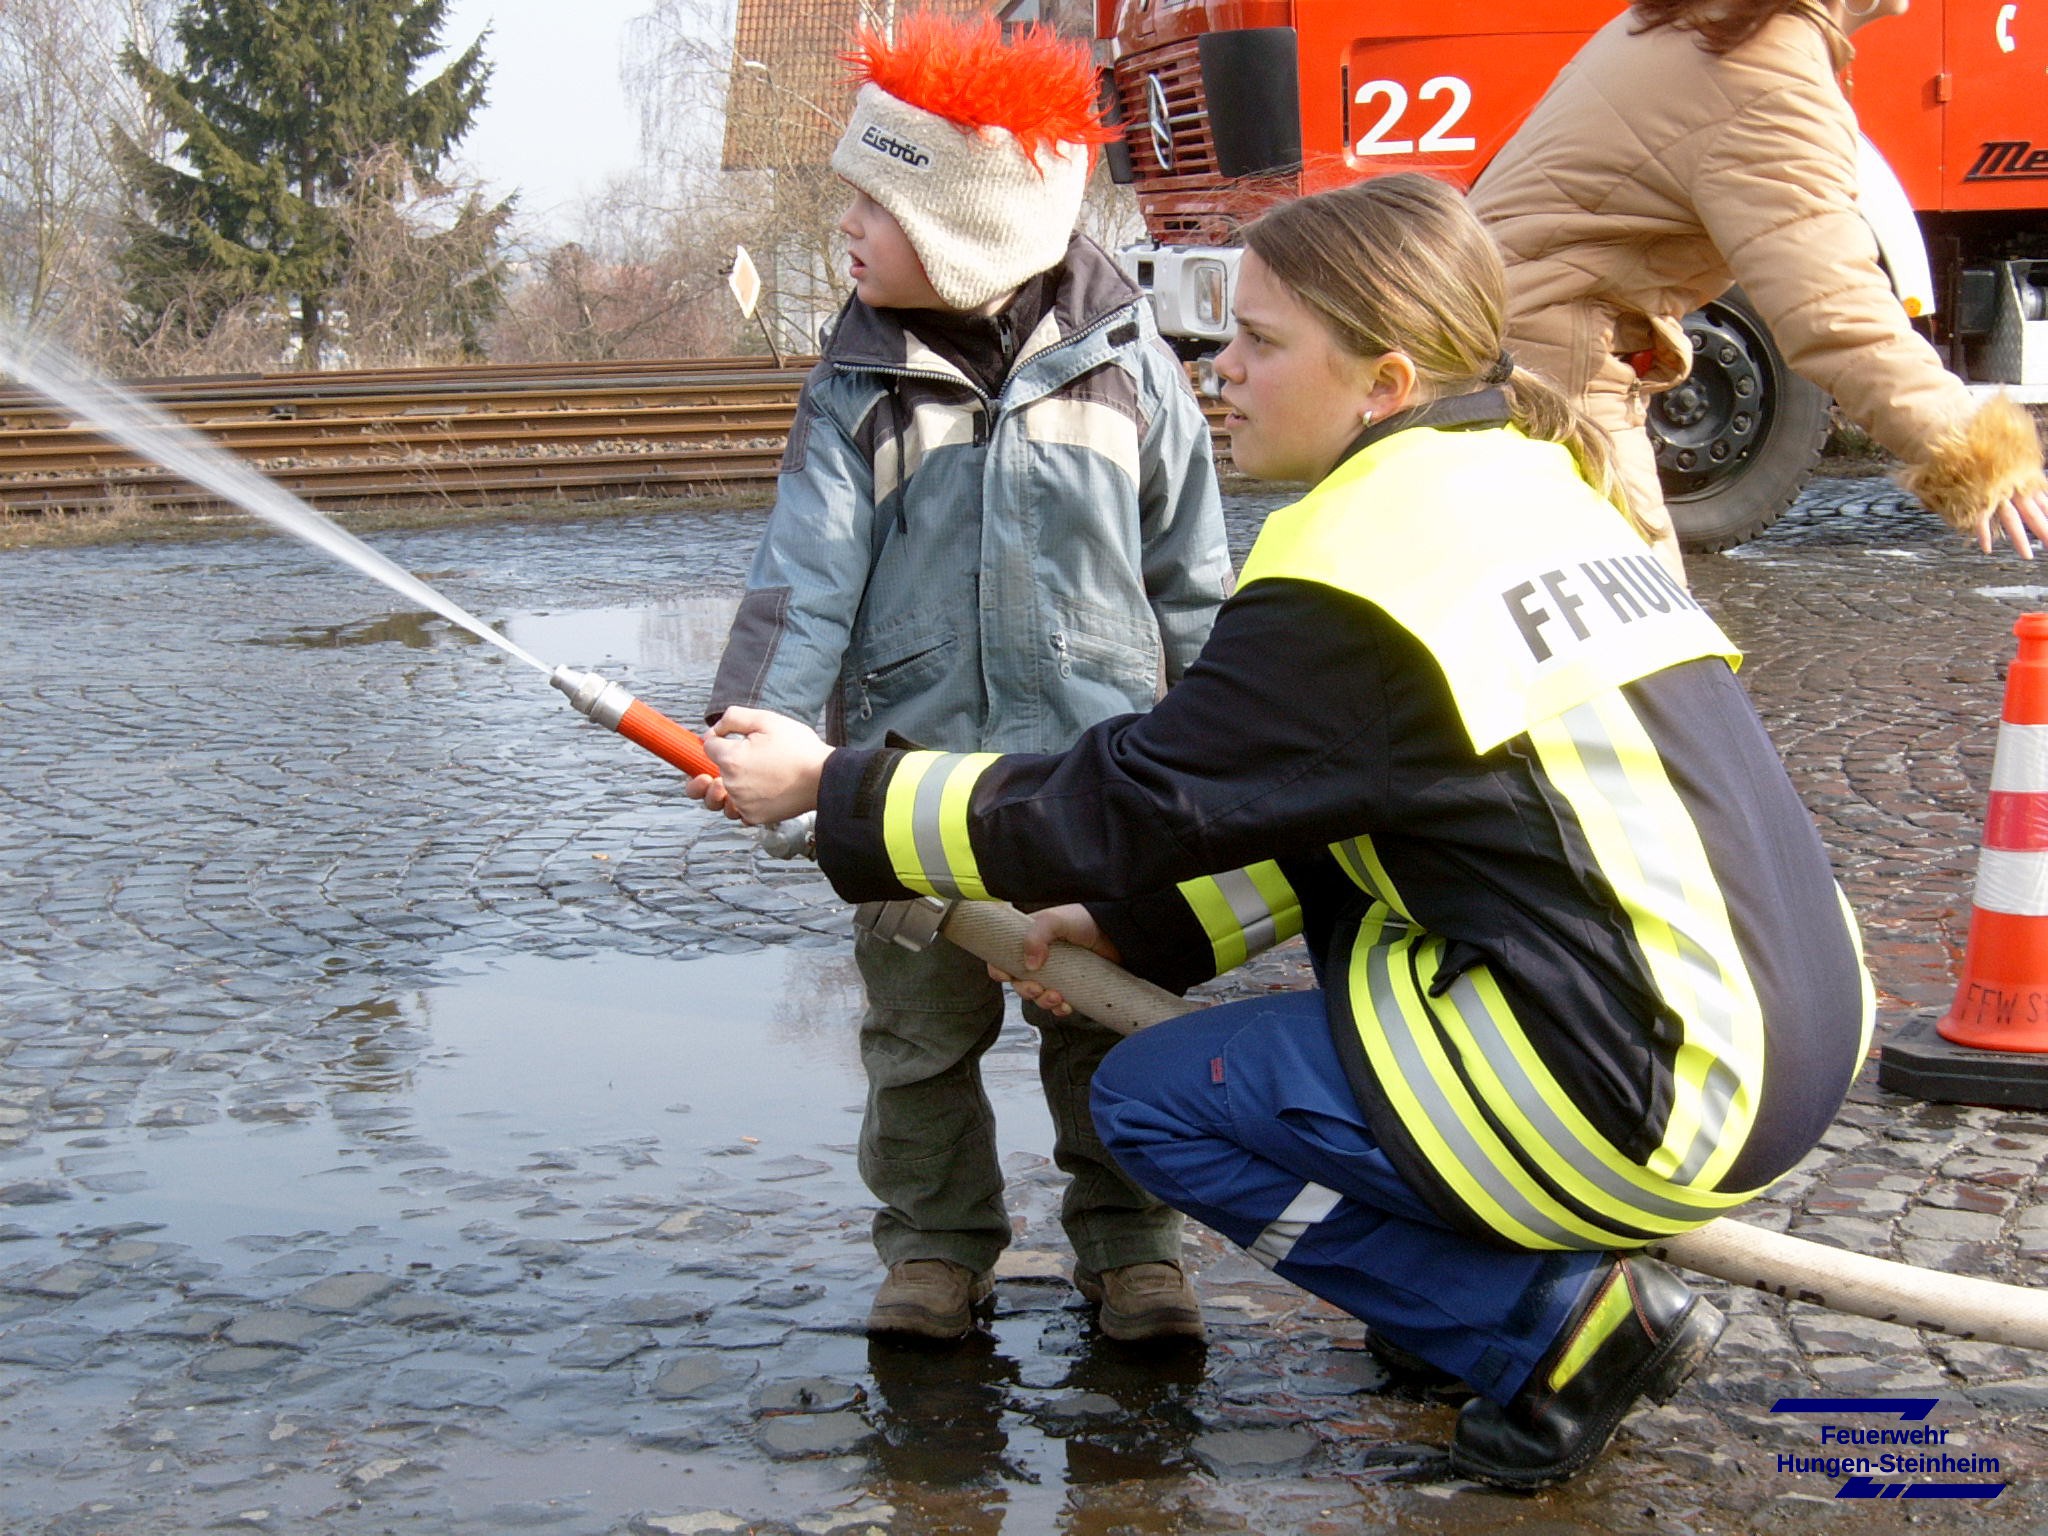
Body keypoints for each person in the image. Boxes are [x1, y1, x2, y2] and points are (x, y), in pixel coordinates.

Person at [696, 172, 1875, 1488]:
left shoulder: (1355, 565)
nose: (1222, 374)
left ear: (1381, 381)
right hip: (1793, 1038)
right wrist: (1136, 927)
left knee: (1160, 1104)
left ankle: (1543, 1327)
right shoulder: (1531, 488)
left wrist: (834, 788)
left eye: (1260, 343)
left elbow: (1123, 800)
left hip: (1648, 1089)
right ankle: (1491, 1278)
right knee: (1359, 943)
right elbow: (1320, 810)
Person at [695, 13, 1232, 1345]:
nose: (852, 234)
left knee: (1110, 1025)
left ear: (974, 225)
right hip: (905, 781)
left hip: (1097, 790)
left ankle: (1134, 1247)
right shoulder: (859, 385)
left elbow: (1198, 589)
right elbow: (804, 573)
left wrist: (1229, 762)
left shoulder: (1131, 376)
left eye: (878, 206)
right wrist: (755, 723)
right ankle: (936, 1248)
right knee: (919, 1042)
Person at [1469, 0, 2048, 579]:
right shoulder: (1767, 73)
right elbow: (1838, 313)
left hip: (1501, 341)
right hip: (1551, 363)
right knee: (1643, 633)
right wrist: (1975, 450)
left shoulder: (1704, 22)